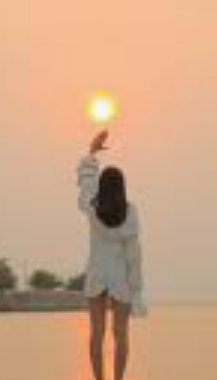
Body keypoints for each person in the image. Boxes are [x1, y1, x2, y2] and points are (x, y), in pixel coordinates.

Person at [76, 130, 148, 380]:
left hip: (96, 274)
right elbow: (134, 255)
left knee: (97, 333)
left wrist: (92, 151)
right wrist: (137, 290)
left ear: (102, 187)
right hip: (121, 278)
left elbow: (86, 181)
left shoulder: (92, 207)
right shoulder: (130, 212)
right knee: (121, 333)